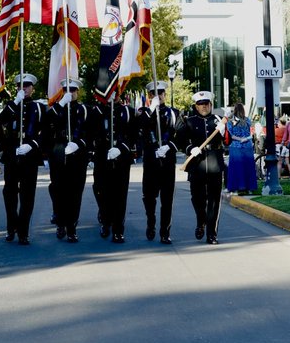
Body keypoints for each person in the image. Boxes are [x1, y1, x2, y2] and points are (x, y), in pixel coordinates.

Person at [0, 73, 43, 245]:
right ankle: (11, 227)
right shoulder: (11, 106)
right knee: (9, 194)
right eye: (20, 86)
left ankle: (23, 231)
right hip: (12, 155)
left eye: (27, 85)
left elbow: (44, 132)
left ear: (32, 88)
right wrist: (15, 102)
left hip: (29, 156)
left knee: (27, 195)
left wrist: (32, 145)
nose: (23, 88)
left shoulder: (38, 107)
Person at [137, 80, 182, 243]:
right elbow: (139, 127)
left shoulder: (174, 113)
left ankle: (165, 231)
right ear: (150, 96)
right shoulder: (144, 113)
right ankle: (151, 221)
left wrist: (170, 146)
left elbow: (181, 136)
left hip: (168, 160)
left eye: (161, 93)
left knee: (167, 198)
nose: (159, 96)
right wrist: (150, 108)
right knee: (149, 196)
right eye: (155, 94)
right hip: (151, 160)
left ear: (165, 94)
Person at [45, 82, 89, 242]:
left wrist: (79, 143)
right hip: (58, 152)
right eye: (66, 90)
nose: (70, 92)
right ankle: (60, 222)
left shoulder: (82, 109)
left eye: (73, 90)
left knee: (75, 192)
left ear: (78, 91)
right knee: (57, 189)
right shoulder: (57, 108)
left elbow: (89, 132)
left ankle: (71, 227)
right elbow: (47, 123)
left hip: (77, 155)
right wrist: (62, 103)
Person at [89, 95, 135, 243]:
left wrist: (121, 148)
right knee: (100, 189)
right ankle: (105, 218)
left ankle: (118, 230)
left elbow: (133, 135)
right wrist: (91, 154)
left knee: (120, 194)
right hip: (102, 157)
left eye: (115, 89)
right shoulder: (96, 111)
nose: (112, 93)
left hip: (121, 157)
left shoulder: (128, 111)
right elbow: (90, 133)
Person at [181, 90, 225, 245]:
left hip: (214, 165)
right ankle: (201, 220)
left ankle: (211, 234)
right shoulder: (190, 121)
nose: (204, 107)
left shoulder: (218, 120)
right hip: (197, 166)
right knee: (197, 198)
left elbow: (228, 142)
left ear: (211, 104)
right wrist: (190, 148)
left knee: (214, 201)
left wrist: (224, 132)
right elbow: (181, 140)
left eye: (206, 104)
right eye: (200, 104)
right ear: (196, 106)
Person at [225, 103, 258, 194]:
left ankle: (235, 187)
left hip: (236, 146)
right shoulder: (247, 120)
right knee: (248, 167)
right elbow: (250, 132)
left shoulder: (230, 121)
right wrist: (245, 139)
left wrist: (240, 139)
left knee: (236, 167)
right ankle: (249, 188)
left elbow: (231, 135)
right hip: (247, 146)